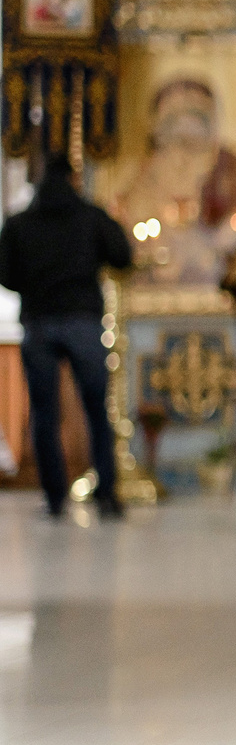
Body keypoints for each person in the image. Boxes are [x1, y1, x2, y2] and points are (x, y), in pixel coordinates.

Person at [0, 155, 134, 518]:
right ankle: (106, 492)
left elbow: (5, 275)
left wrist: (36, 283)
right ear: (73, 179)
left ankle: (55, 496)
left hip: (39, 322)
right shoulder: (90, 217)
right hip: (82, 320)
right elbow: (122, 256)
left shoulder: (20, 223)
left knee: (44, 412)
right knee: (96, 408)